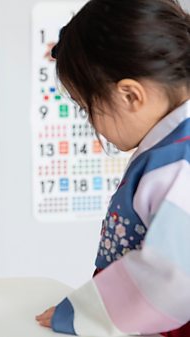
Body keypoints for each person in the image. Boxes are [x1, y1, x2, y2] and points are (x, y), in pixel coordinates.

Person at [35, 0, 190, 336]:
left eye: (87, 108)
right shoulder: (171, 151)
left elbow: (173, 276)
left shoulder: (177, 164)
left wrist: (84, 314)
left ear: (131, 96)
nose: (91, 122)